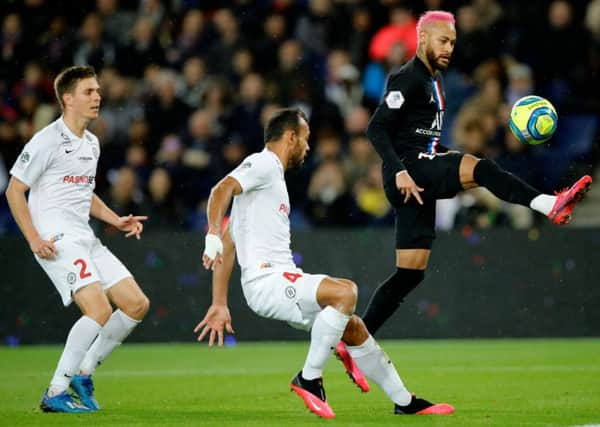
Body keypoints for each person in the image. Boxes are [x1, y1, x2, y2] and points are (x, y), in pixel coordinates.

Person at [194, 108, 454, 418]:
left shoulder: (267, 181)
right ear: (290, 137)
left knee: (354, 328)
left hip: (280, 278)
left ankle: (404, 401)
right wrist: (210, 232)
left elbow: (229, 243)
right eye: (305, 139)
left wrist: (220, 302)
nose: (307, 146)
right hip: (268, 282)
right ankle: (308, 377)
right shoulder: (262, 163)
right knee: (346, 293)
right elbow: (220, 189)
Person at [357, 11, 592, 337]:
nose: (449, 48)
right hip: (408, 171)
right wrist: (399, 171)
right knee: (482, 168)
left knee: (410, 273)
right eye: (443, 40)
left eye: (452, 42)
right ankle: (547, 204)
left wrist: (441, 154)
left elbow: (417, 135)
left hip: (418, 173)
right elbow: (377, 128)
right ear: (422, 38)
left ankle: (356, 338)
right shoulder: (406, 78)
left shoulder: (433, 80)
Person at [5, 66, 150, 413]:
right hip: (56, 239)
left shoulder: (92, 143)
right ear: (67, 99)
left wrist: (115, 218)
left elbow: (84, 192)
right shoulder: (46, 140)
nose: (97, 97)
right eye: (88, 92)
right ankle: (55, 391)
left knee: (135, 304)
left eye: (98, 91)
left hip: (85, 237)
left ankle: (84, 372)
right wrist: (33, 238)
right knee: (99, 309)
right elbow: (14, 190)